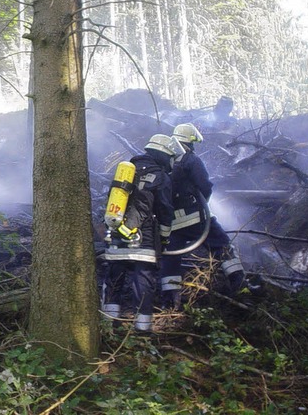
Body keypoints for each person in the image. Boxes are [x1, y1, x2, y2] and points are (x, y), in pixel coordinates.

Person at [159, 123, 247, 309]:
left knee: (170, 259)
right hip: (197, 219)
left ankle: (169, 301)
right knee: (222, 245)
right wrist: (200, 205)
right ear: (190, 141)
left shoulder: (164, 160)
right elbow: (205, 186)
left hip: (172, 224)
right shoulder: (191, 159)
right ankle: (240, 286)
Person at [101, 134, 183, 332]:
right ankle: (142, 330)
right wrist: (163, 239)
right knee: (143, 283)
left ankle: (108, 326)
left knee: (114, 280)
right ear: (163, 155)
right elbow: (165, 211)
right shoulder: (161, 177)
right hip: (143, 240)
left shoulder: (126, 170)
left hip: (116, 235)